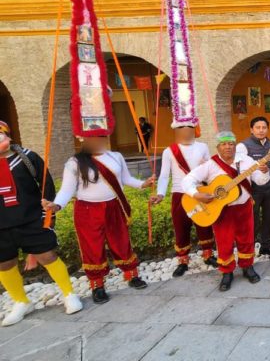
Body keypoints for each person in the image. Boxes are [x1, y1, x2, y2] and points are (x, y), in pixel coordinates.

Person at [43, 135, 155, 304]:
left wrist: (143, 184)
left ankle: (132, 275)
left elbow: (125, 179)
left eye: (101, 137)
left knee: (121, 241)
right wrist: (57, 205)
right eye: (93, 138)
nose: (98, 141)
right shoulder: (74, 162)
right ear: (83, 139)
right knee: (92, 247)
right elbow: (67, 190)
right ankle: (97, 285)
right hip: (87, 210)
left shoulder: (115, 156)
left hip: (113, 207)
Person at [0, 121, 82, 327]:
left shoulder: (28, 158)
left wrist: (48, 209)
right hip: (1, 225)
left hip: (31, 218)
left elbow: (46, 184)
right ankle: (21, 301)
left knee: (47, 255)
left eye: (2, 135)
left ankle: (69, 293)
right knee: (4, 263)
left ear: (8, 136)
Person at [181, 131, 270, 291]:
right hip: (221, 211)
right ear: (218, 147)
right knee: (224, 241)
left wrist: (264, 172)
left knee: (246, 239)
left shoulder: (246, 161)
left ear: (235, 146)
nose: (228, 147)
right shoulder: (210, 164)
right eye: (224, 144)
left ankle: (247, 267)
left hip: (243, 208)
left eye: (231, 144)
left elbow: (260, 180)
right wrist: (197, 194)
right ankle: (227, 272)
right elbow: (187, 180)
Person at [150, 122, 216, 277]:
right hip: (179, 193)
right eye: (181, 129)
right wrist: (160, 193)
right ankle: (183, 260)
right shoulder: (169, 151)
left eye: (188, 129)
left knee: (204, 224)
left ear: (194, 129)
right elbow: (165, 175)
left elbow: (211, 168)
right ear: (176, 131)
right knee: (181, 227)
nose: (185, 132)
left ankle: (208, 255)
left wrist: (206, 165)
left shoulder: (203, 147)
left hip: (199, 192)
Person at [235, 116, 270, 258]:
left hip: (269, 188)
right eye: (258, 127)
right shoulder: (242, 146)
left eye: (264, 128)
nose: (261, 130)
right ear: (251, 129)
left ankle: (266, 247)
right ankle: (247, 251)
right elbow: (238, 170)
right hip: (252, 191)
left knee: (268, 218)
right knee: (252, 221)